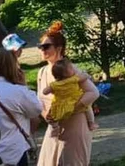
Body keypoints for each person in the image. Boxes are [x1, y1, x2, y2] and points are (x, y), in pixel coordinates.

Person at [40, 22, 98, 165]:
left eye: (46, 46)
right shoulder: (42, 71)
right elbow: (41, 99)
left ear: (59, 48)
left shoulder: (69, 70)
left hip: (75, 124)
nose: (42, 49)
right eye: (41, 46)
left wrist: (70, 109)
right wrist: (46, 113)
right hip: (54, 126)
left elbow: (93, 92)